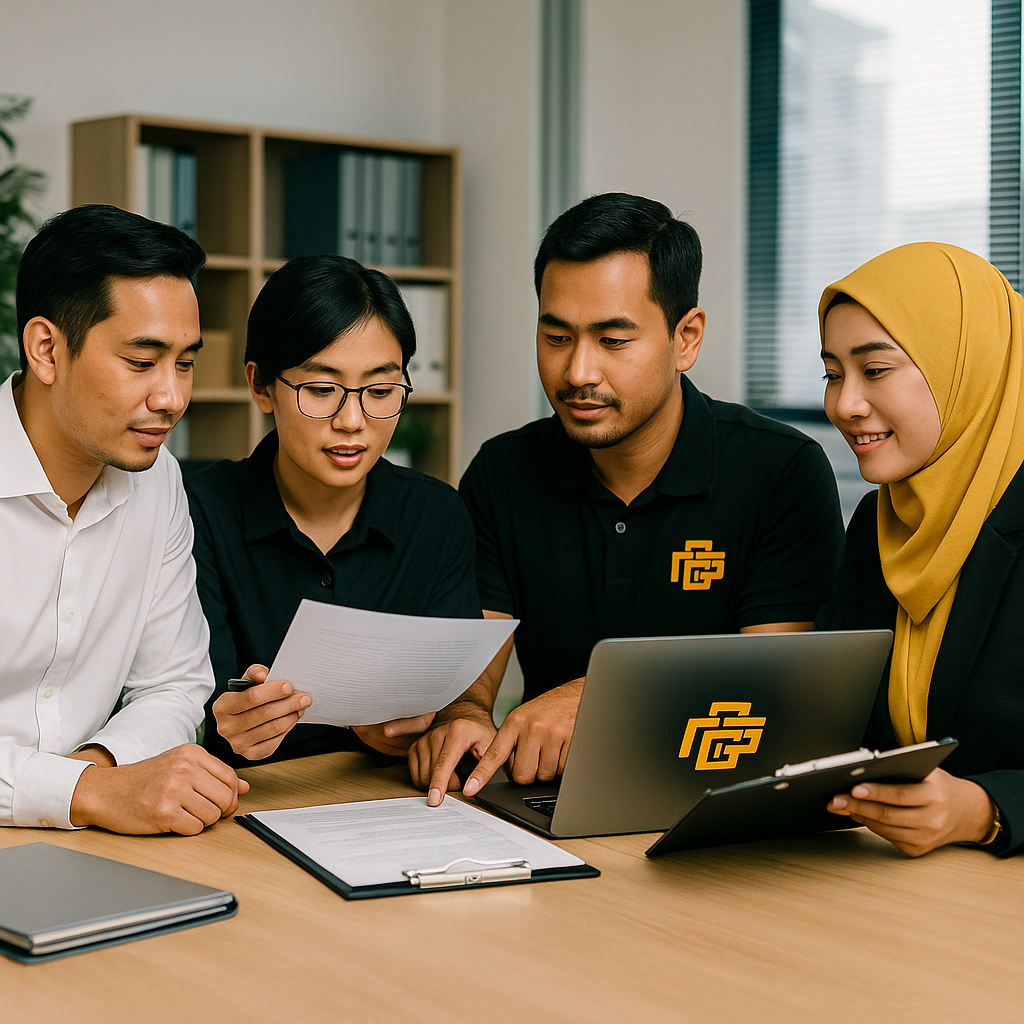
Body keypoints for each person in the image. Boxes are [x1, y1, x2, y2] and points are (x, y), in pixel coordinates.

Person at [410, 192, 845, 805]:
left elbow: (775, 681)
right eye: (556, 336)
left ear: (686, 337)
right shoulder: (503, 472)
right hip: (554, 799)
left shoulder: (779, 470)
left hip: (718, 798)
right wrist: (464, 715)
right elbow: (475, 671)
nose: (577, 371)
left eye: (612, 341)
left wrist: (603, 695)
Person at [1, 204, 248, 835]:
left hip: (88, 851)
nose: (172, 398)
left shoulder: (157, 479)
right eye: (142, 362)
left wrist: (98, 774)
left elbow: (174, 684)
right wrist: (87, 792)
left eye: (186, 362)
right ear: (46, 349)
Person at [186, 254, 481, 766]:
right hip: (246, 802)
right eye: (322, 390)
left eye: (381, 391)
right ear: (261, 386)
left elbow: (453, 696)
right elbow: (186, 701)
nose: (352, 420)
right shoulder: (199, 510)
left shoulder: (436, 515)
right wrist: (223, 720)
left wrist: (426, 725)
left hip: (394, 803)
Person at [816, 242, 1023, 857]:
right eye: (832, 374)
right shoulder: (878, 523)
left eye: (874, 370)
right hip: (888, 889)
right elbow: (831, 714)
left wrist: (981, 810)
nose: (845, 405)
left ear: (969, 367)